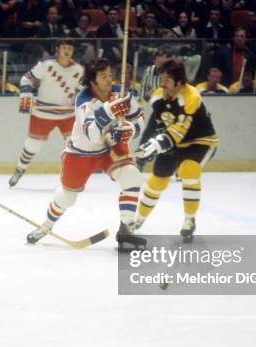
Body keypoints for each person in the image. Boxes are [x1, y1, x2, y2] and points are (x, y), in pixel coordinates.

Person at [26, 58, 147, 251]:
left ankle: (126, 230)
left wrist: (130, 130)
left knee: (132, 177)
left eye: (109, 75)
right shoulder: (83, 101)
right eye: (103, 76)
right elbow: (92, 135)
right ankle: (46, 226)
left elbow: (140, 120)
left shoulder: (121, 93)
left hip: (110, 149)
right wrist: (109, 111)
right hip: (81, 153)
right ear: (92, 81)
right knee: (67, 197)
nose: (109, 80)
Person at [134, 59, 219, 242]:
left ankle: (189, 220)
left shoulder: (191, 97)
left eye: (166, 80)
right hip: (174, 143)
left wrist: (153, 146)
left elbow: (177, 133)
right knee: (156, 180)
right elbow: (158, 126)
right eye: (161, 79)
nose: (162, 83)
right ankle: (137, 221)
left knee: (189, 169)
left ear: (179, 82)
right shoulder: (157, 97)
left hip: (200, 142)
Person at [9, 39, 84, 187]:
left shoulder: (78, 69)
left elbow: (83, 90)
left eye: (70, 48)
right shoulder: (46, 64)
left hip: (67, 113)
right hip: (43, 112)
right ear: (57, 49)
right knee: (33, 145)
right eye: (64, 47)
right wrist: (26, 94)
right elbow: (26, 79)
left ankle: (74, 176)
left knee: (74, 145)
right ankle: (20, 169)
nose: (67, 51)